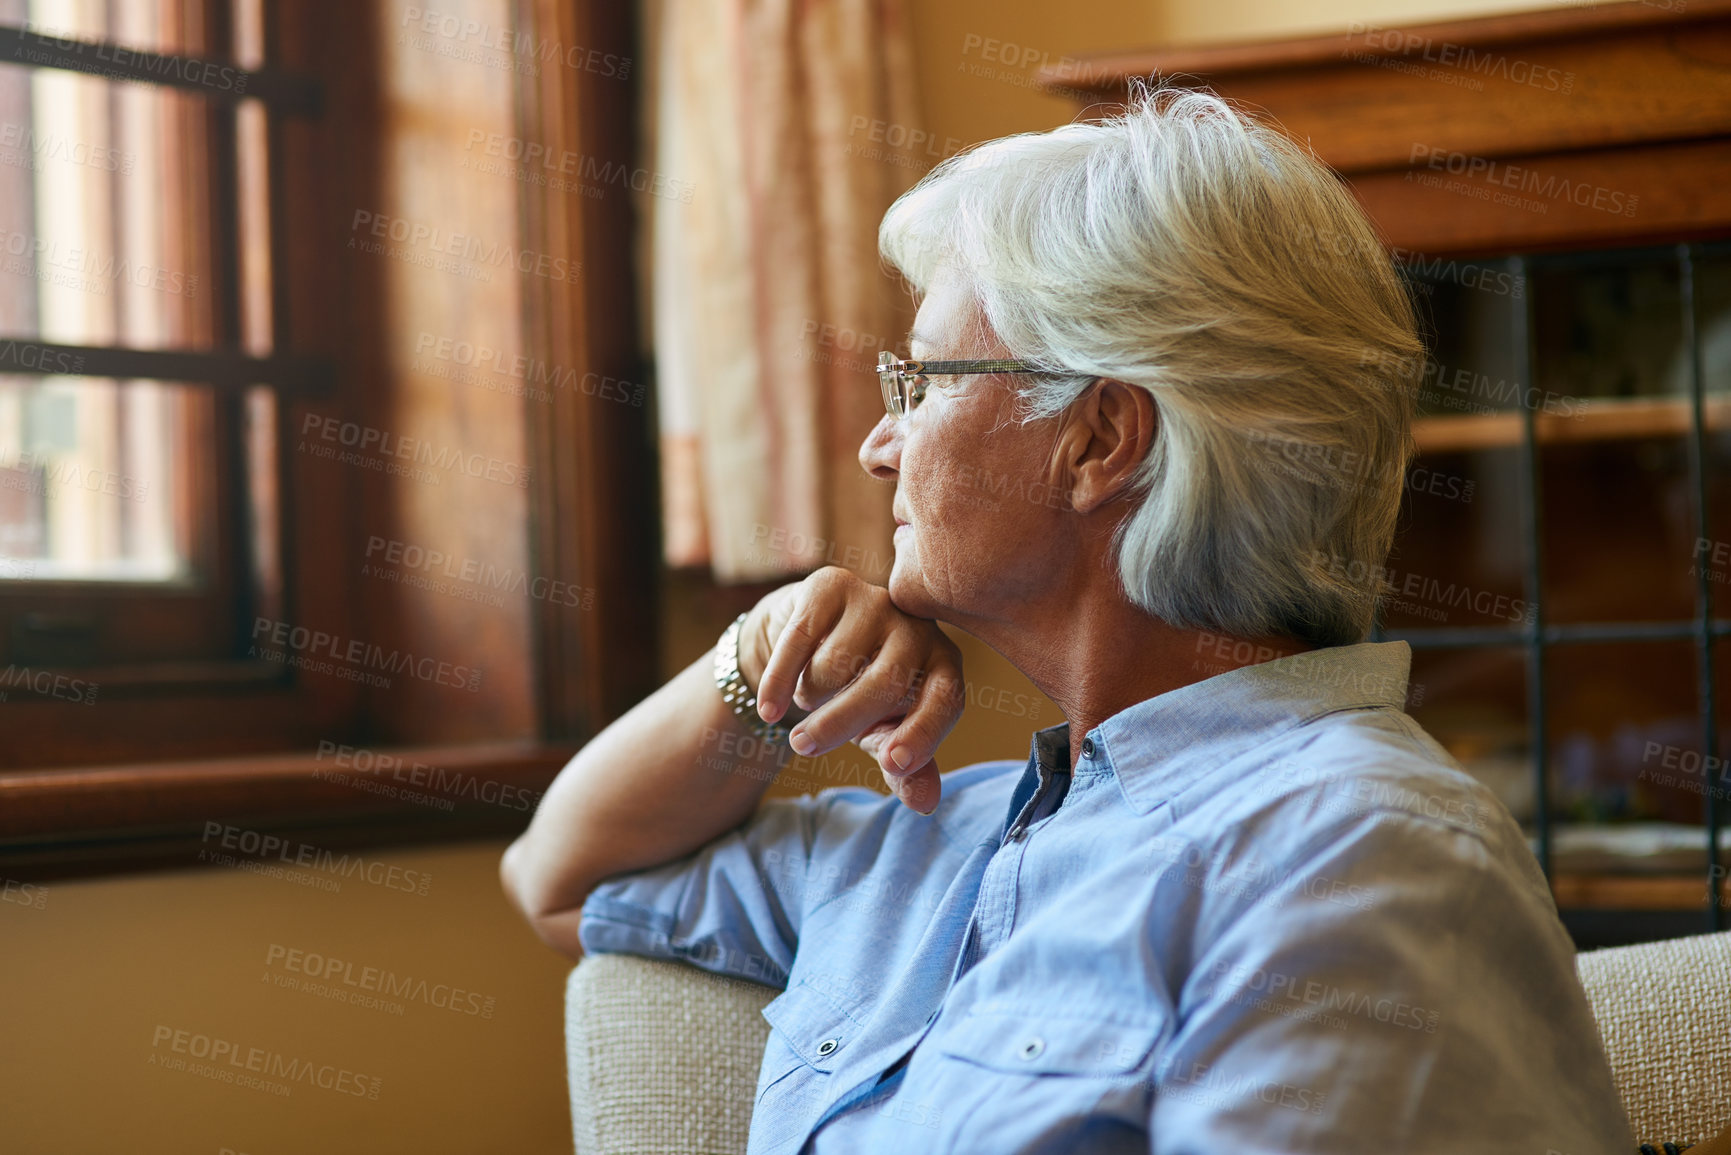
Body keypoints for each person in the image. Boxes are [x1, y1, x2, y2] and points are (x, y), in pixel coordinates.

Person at [500, 88, 1632, 1153]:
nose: (878, 446)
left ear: (1100, 439)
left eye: (927, 384)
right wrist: (763, 663)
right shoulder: (934, 835)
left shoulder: (1358, 854)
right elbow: (559, 878)